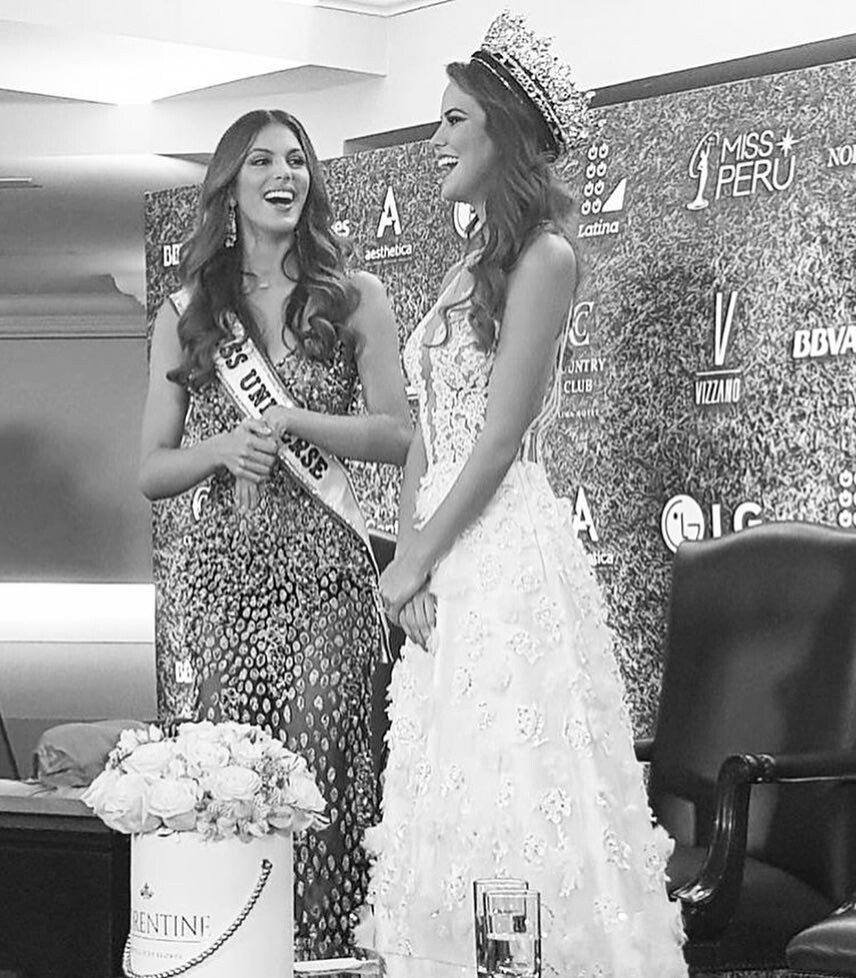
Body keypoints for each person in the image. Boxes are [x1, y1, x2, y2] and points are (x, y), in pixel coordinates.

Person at [361, 12, 688, 977]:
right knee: (447, 785)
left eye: (453, 119)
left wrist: (419, 556)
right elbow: (429, 428)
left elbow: (499, 439)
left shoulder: (547, 257)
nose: (435, 138)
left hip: (503, 561)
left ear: (502, 132)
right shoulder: (468, 266)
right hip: (442, 560)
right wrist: (409, 559)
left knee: (512, 782)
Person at [139, 108, 412, 958]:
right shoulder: (188, 312)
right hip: (224, 585)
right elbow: (151, 469)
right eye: (260, 162)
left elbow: (399, 434)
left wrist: (295, 420)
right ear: (230, 186)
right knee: (239, 794)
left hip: (328, 581)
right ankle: (244, 960)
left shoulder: (356, 296)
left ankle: (324, 959)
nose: (282, 175)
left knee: (320, 780)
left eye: (295, 160)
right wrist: (222, 448)